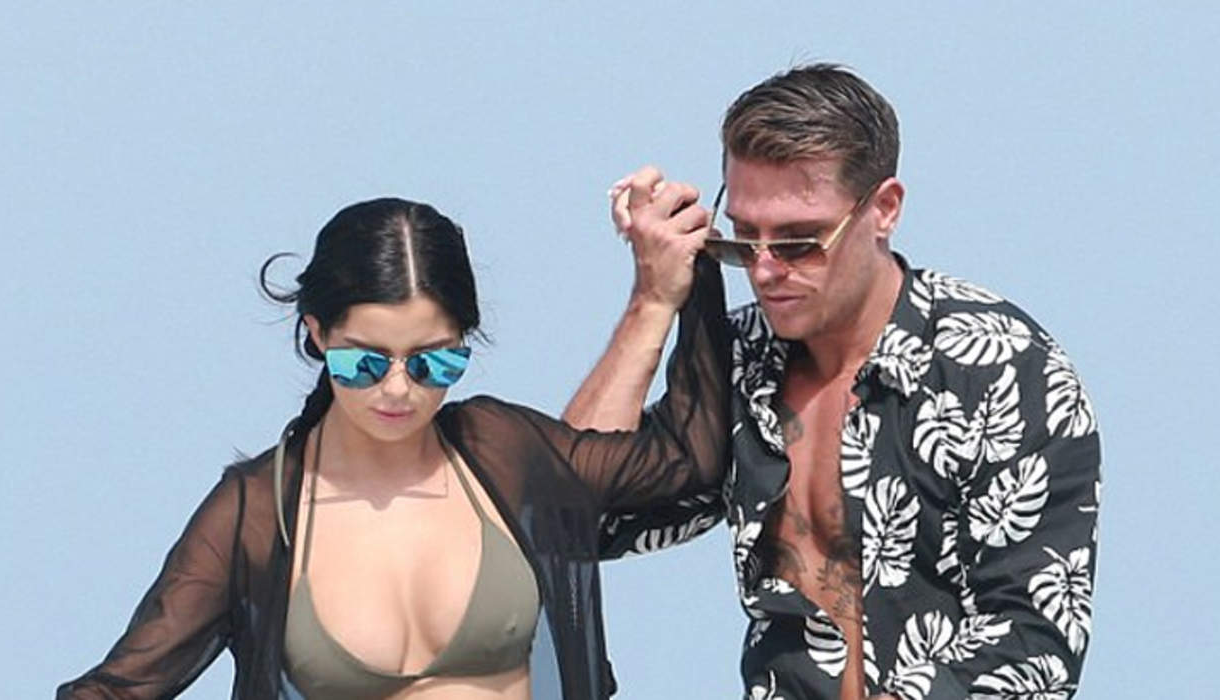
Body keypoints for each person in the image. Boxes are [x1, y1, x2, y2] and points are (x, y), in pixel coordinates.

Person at [568, 63, 1102, 700]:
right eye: (743, 240)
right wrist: (653, 300)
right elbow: (571, 521)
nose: (766, 271)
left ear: (885, 209)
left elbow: (1035, 645)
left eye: (799, 243)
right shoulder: (743, 361)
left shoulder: (1000, 367)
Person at [58, 196, 727, 700]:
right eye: (365, 363)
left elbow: (687, 461)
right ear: (317, 334)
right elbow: (118, 689)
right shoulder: (258, 513)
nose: (400, 389)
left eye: (434, 362)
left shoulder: (501, 450)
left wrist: (689, 268)